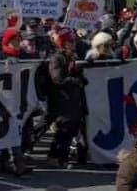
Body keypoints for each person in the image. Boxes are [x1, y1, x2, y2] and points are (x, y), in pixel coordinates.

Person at [0, 29, 31, 176]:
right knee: (2, 130)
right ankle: (3, 161)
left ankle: (17, 163)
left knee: (16, 131)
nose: (17, 42)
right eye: (14, 39)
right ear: (6, 41)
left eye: (18, 39)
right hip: (1, 99)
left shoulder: (25, 56)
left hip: (19, 99)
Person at [46, 26, 87, 169]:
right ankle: (53, 157)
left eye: (73, 41)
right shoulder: (57, 58)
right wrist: (73, 79)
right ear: (63, 43)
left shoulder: (71, 56)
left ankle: (62, 158)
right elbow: (57, 79)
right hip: (62, 100)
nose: (73, 43)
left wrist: (80, 76)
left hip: (74, 100)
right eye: (70, 41)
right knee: (63, 130)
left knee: (71, 130)